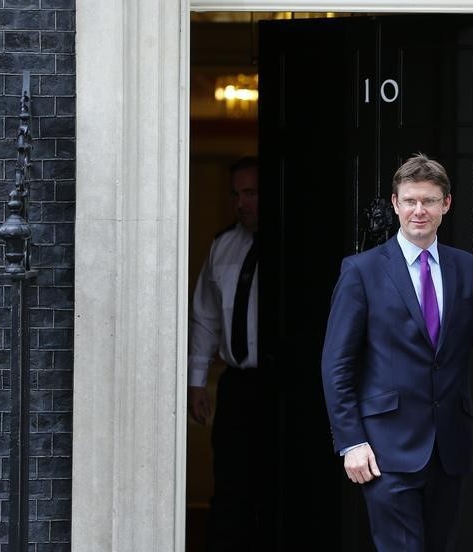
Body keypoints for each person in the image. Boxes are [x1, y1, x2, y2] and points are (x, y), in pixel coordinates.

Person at [321, 153, 473, 552]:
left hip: (449, 448)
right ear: (395, 204)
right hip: (385, 449)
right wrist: (351, 441)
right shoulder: (362, 271)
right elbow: (336, 364)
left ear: (446, 204)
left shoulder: (468, 270)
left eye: (428, 201)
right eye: (409, 201)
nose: (418, 211)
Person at [187, 157, 273, 551]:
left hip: (281, 387)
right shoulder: (223, 245)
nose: (242, 203)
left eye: (251, 193)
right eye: (236, 194)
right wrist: (196, 382)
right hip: (238, 387)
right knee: (230, 489)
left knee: (273, 490)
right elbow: (204, 318)